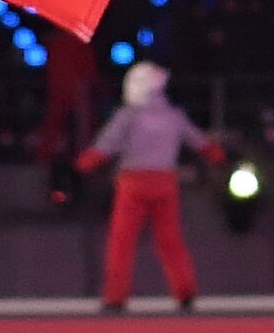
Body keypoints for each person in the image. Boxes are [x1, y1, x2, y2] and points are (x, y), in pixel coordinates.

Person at [79, 60, 213, 313]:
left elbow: (107, 144)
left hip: (133, 184)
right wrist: (213, 152)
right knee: (170, 241)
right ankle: (185, 292)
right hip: (165, 183)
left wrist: (87, 161)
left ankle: (116, 296)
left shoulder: (128, 115)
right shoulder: (173, 115)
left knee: (122, 242)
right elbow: (197, 139)